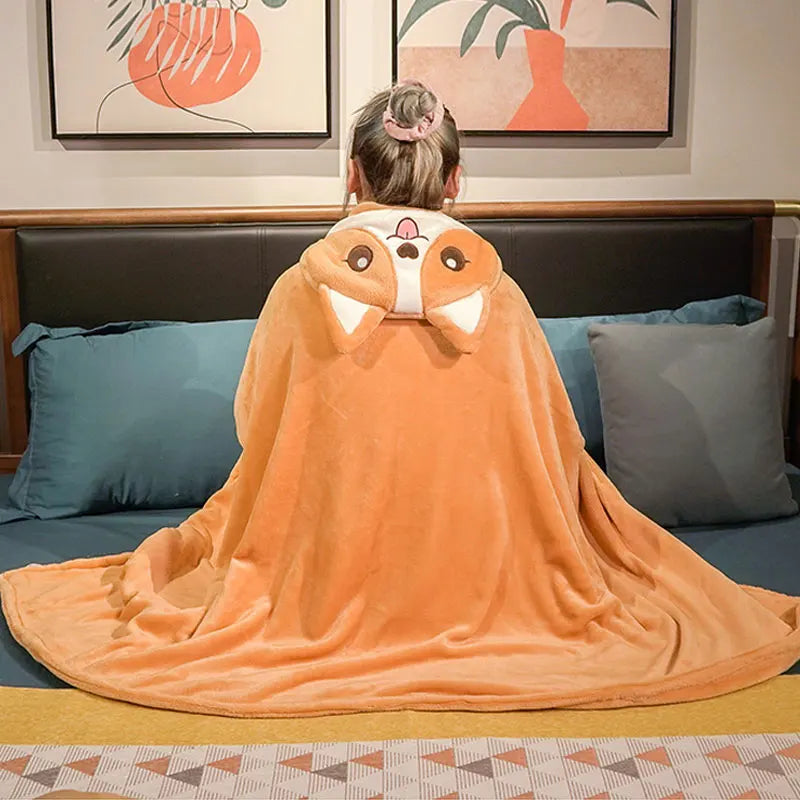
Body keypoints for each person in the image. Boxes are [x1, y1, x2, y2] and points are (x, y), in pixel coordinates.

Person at [2, 81, 799, 718]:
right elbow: (555, 446)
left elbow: (255, 425)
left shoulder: (299, 288)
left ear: (354, 174)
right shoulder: (501, 294)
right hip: (491, 570)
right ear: (456, 179)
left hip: (316, 571)